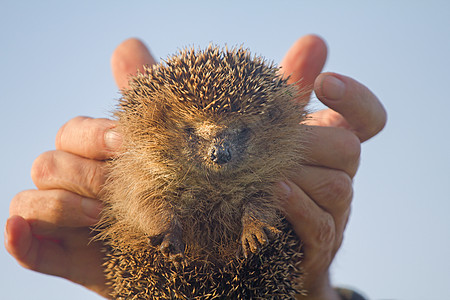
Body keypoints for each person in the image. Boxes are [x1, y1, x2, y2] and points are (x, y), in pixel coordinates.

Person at [4, 35, 386, 300]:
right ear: (161, 123)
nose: (219, 151)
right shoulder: (147, 155)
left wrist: (314, 290)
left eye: (238, 135)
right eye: (195, 134)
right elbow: (145, 199)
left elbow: (261, 196)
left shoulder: (281, 152)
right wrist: (162, 222)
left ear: (269, 123)